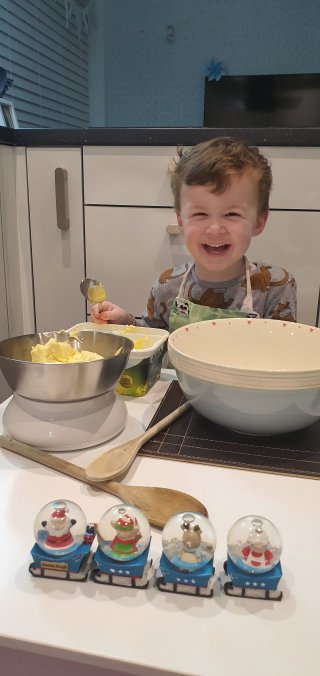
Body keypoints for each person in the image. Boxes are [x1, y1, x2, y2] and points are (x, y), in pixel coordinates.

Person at [91, 136, 297, 331]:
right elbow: (153, 341)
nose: (215, 228)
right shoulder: (167, 285)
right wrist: (123, 323)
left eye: (231, 214)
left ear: (259, 222)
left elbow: (285, 356)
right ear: (181, 222)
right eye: (200, 213)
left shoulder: (275, 287)